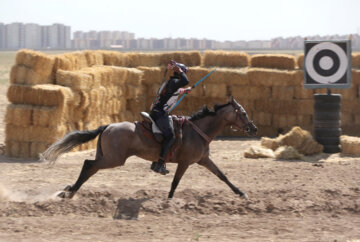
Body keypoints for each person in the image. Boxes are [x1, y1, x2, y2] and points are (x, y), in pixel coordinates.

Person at [149, 60, 192, 175]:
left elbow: (176, 91)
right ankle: (159, 164)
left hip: (158, 111)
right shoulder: (174, 82)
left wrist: (185, 91)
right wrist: (178, 70)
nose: (185, 75)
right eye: (184, 72)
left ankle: (156, 160)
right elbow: (185, 81)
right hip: (159, 113)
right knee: (171, 137)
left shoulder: (172, 82)